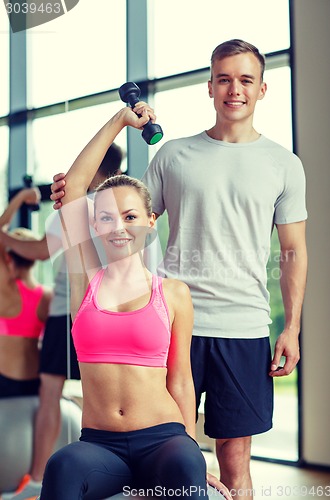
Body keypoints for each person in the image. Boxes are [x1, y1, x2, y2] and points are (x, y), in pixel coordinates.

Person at [50, 39, 308, 499]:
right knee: (173, 458)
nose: (235, 89)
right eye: (224, 79)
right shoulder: (173, 155)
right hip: (169, 322)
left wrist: (291, 326)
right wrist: (81, 192)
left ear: (263, 89)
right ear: (209, 87)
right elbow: (124, 208)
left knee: (233, 461)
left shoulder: (283, 165)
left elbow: (295, 250)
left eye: (246, 79)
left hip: (241, 325)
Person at [39, 107, 231, 500]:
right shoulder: (85, 280)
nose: (118, 227)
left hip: (163, 440)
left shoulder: (173, 293)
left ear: (149, 221)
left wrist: (193, 454)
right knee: (61, 466)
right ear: (94, 225)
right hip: (100, 445)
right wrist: (120, 121)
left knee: (184, 465)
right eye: (106, 218)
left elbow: (180, 380)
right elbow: (75, 189)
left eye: (130, 216)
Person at [0, 145, 124, 500]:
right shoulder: (119, 209)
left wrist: (4, 238)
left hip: (71, 312)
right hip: (104, 310)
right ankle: (101, 475)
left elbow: (40, 251)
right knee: (102, 394)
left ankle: (38, 480)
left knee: (52, 391)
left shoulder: (73, 207)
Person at [0, 188, 52, 400]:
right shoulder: (48, 297)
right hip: (35, 380)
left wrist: (20, 198)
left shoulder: (7, 289)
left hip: (4, 379)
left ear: (9, 257)